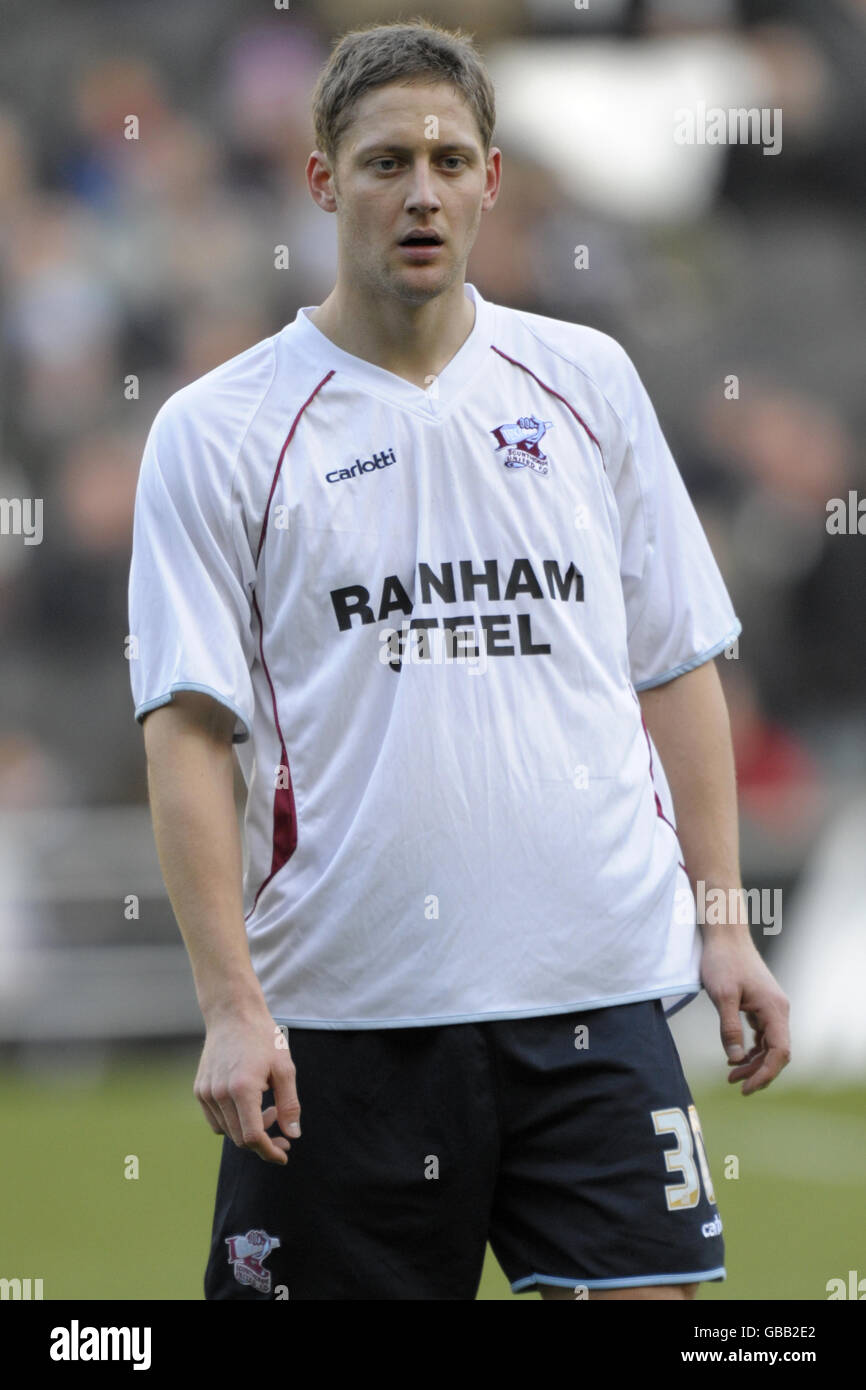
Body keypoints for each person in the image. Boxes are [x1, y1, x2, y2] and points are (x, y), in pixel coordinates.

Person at [128, 18, 790, 1301]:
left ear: (491, 178)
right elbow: (186, 733)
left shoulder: (586, 381)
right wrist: (229, 1004)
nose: (419, 189)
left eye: (448, 157)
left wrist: (723, 924)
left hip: (597, 997)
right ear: (323, 182)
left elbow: (676, 665)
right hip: (346, 1019)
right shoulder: (218, 433)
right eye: (384, 163)